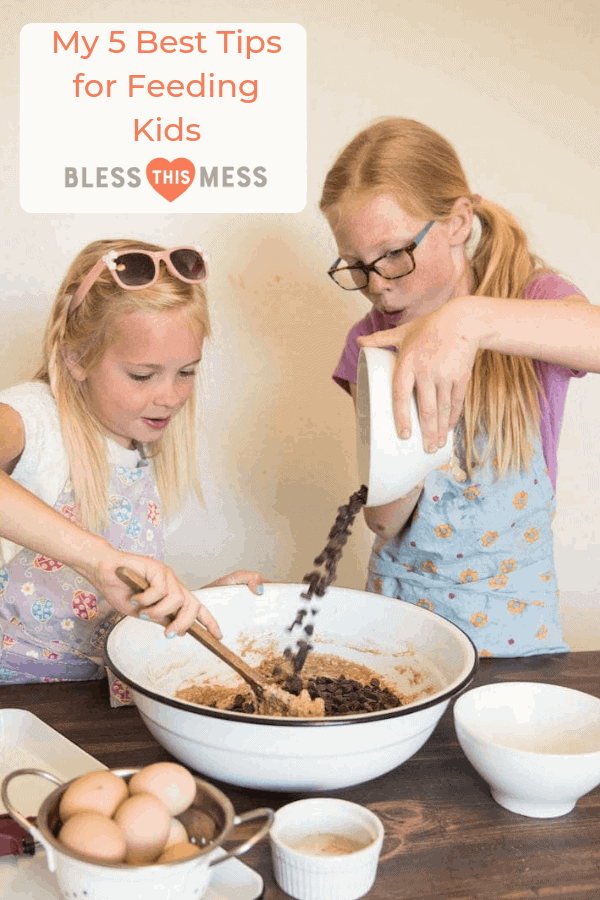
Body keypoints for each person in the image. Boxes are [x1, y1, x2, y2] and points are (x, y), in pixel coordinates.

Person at [320, 117, 600, 657]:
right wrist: (409, 444)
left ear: (457, 221)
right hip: (401, 616)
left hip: (515, 627)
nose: (378, 285)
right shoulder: (370, 341)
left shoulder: (531, 298)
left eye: (396, 253)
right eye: (357, 267)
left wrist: (468, 321)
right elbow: (383, 517)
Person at [0, 239, 264, 686]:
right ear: (77, 358)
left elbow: (114, 604)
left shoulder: (138, 443)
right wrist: (98, 559)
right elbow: (104, 568)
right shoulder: (36, 418)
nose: (170, 396)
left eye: (187, 372)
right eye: (143, 375)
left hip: (90, 695)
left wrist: (190, 604)